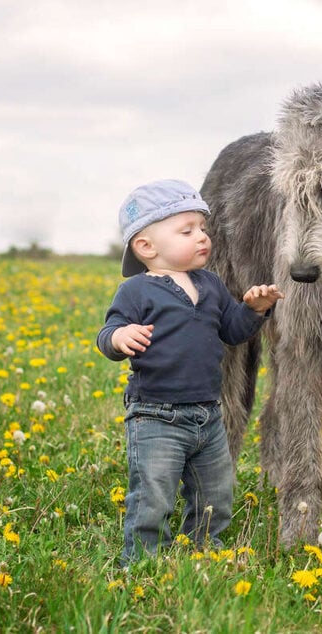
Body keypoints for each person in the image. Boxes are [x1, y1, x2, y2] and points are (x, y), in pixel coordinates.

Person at [97, 179, 283, 565]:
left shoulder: (210, 284)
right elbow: (107, 334)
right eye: (187, 231)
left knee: (215, 492)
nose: (202, 237)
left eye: (203, 228)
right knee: (154, 493)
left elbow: (233, 332)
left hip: (208, 414)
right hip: (156, 416)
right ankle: (144, 559)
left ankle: (205, 548)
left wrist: (254, 310)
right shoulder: (135, 292)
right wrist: (119, 337)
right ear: (146, 246)